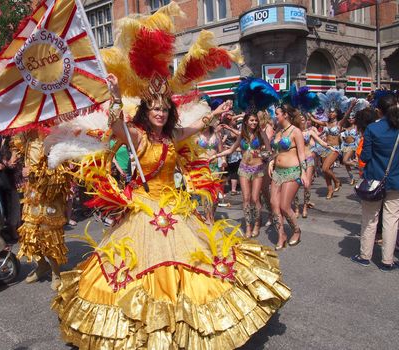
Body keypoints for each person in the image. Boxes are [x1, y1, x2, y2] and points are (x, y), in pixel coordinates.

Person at [52, 71, 290, 350]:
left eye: (164, 109)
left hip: (174, 206)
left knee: (196, 262)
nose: (160, 113)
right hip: (143, 209)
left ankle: (186, 326)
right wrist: (115, 95)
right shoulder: (137, 136)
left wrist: (215, 114)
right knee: (138, 268)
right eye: (155, 108)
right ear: (146, 110)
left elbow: (198, 127)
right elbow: (116, 125)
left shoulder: (172, 135)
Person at [15, 130, 71, 290]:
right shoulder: (25, 138)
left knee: (48, 235)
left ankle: (56, 273)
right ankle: (41, 265)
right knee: (28, 233)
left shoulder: (52, 138)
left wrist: (32, 171)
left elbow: (60, 174)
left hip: (49, 198)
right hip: (32, 195)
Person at [351, 94, 399, 271]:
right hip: (396, 180)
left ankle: (365, 255)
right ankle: (387, 260)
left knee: (370, 218)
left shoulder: (372, 129)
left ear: (379, 110)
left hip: (374, 179)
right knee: (391, 220)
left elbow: (365, 156)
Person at [211, 112, 271, 238]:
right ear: (245, 122)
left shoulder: (261, 134)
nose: (254, 123)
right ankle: (248, 226)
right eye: (251, 120)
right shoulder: (242, 136)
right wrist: (216, 156)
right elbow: (231, 149)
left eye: (255, 120)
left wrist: (261, 155)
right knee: (246, 199)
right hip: (244, 168)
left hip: (257, 168)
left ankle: (257, 223)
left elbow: (269, 150)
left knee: (255, 198)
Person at [269, 105, 308, 250]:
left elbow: (301, 153)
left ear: (285, 115)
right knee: (274, 204)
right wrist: (273, 161)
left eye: (277, 114)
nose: (275, 116)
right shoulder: (279, 131)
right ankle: (281, 235)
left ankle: (297, 230)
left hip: (292, 171)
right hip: (277, 172)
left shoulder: (295, 131)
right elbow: (277, 151)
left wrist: (303, 172)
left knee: (284, 206)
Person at [294, 114, 334, 218]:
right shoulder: (294, 132)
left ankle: (305, 208)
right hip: (297, 161)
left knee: (307, 184)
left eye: (304, 119)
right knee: (296, 185)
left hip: (309, 160)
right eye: (301, 118)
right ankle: (297, 208)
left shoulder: (310, 132)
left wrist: (331, 147)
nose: (303, 120)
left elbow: (321, 142)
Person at [196, 125, 225, 223]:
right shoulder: (196, 135)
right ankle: (208, 217)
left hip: (215, 167)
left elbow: (221, 150)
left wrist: (224, 160)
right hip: (202, 167)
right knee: (205, 193)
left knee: (215, 193)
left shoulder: (216, 134)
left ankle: (212, 214)